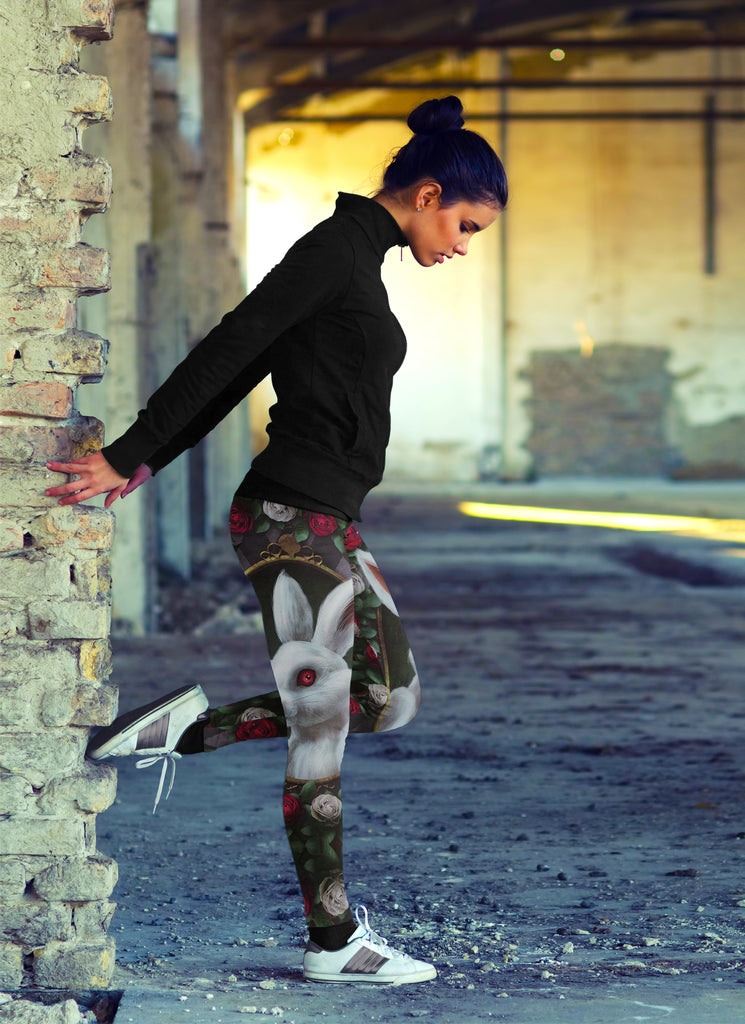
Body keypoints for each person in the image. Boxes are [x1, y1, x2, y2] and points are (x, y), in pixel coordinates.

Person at [45, 95, 507, 986]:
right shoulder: (334, 250)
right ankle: (332, 942)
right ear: (426, 194)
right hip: (289, 516)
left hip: (329, 519)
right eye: (464, 226)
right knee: (324, 715)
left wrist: (147, 456)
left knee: (389, 699)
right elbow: (236, 348)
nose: (461, 246)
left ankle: (186, 730)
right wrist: (135, 454)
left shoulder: (360, 260)